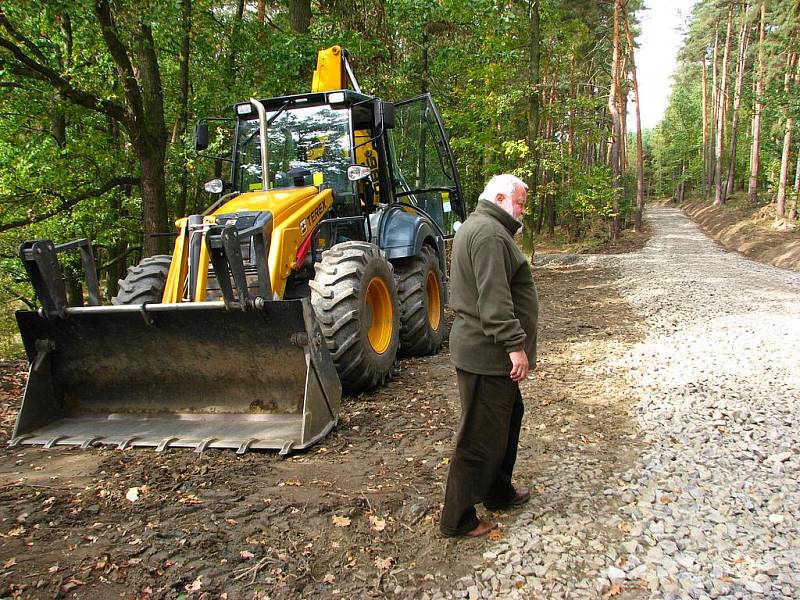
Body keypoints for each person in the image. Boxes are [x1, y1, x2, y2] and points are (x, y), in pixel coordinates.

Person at [440, 174, 539, 538]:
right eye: (520, 203)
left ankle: (497, 491)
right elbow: (494, 302)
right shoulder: (490, 234)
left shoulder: (481, 227)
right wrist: (516, 347)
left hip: (486, 351)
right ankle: (458, 519)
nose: (523, 210)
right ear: (499, 197)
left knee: (509, 417)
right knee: (479, 435)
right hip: (487, 352)